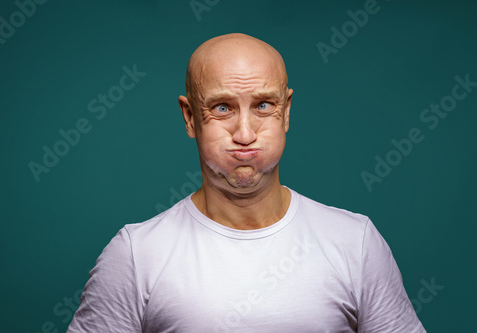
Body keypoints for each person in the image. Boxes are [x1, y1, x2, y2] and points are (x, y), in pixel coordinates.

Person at [67, 33, 426, 332]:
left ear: (286, 111)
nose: (244, 133)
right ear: (190, 117)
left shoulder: (356, 243)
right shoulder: (135, 255)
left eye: (263, 106)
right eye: (222, 108)